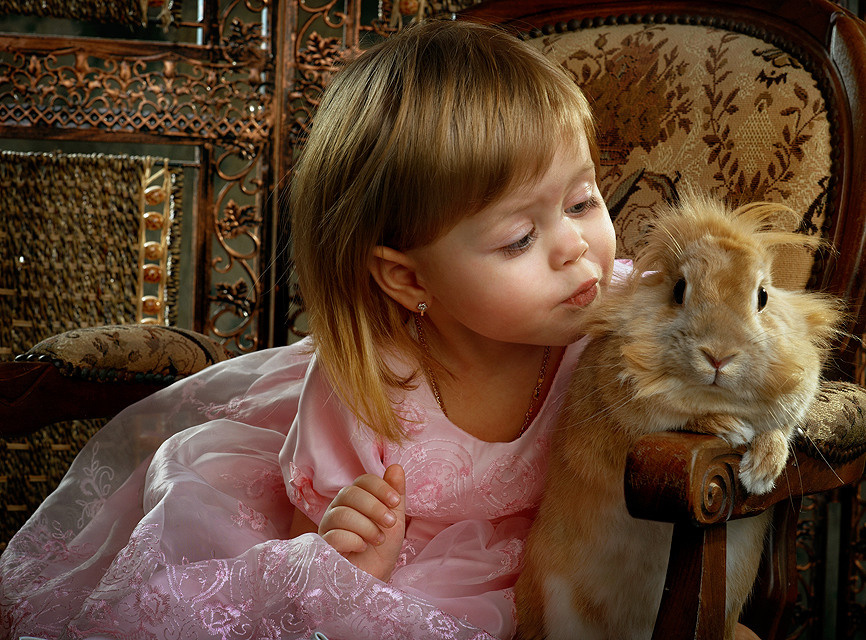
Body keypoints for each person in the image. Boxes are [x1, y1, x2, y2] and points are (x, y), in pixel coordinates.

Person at [0, 19, 757, 640]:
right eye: (519, 239)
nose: (574, 248)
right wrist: (351, 550)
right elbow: (313, 545)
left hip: (576, 560)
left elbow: (748, 350)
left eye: (584, 202)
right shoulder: (371, 383)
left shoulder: (634, 318)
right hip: (420, 573)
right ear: (410, 280)